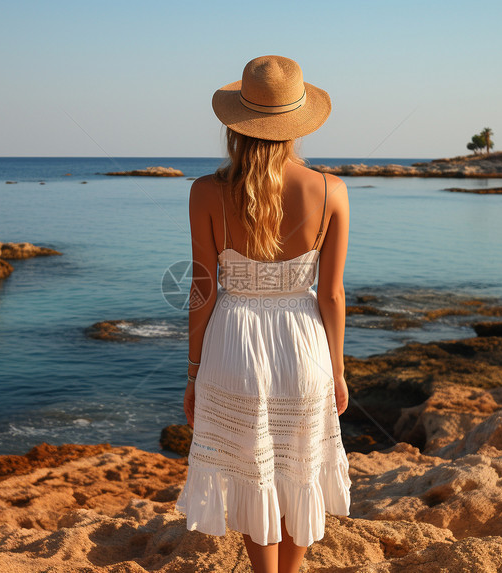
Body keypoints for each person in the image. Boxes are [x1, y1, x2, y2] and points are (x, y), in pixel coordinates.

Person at [175, 55, 350, 573]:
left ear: (236, 125)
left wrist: (192, 371)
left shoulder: (206, 192)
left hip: (234, 340)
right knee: (299, 469)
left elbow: (202, 290)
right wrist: (338, 370)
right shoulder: (330, 190)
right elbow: (333, 295)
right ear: (297, 124)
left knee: (254, 469)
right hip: (303, 342)